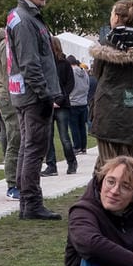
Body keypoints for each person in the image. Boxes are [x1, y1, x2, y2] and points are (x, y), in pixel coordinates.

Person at [6, 0, 64, 220]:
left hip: (25, 94)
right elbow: (30, 62)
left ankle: (27, 202)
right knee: (34, 149)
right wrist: (43, 94)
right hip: (33, 96)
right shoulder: (25, 20)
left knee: (27, 148)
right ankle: (31, 202)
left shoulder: (26, 18)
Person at [88, 0, 133, 165]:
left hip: (109, 111)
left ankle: (102, 190)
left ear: (117, 17)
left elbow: (97, 74)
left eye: (112, 13)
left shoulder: (106, 45)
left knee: (107, 164)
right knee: (126, 163)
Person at [44, 38, 78, 176]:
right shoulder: (46, 63)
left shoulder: (64, 64)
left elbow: (70, 84)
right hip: (49, 102)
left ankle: (71, 162)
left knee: (64, 136)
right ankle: (51, 165)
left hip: (61, 104)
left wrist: (60, 99)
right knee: (48, 137)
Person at [68, 59, 91, 152]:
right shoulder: (85, 73)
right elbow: (88, 85)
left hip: (73, 102)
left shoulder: (71, 72)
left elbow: (69, 86)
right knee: (82, 126)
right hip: (83, 102)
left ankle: (77, 146)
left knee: (74, 127)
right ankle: (83, 147)